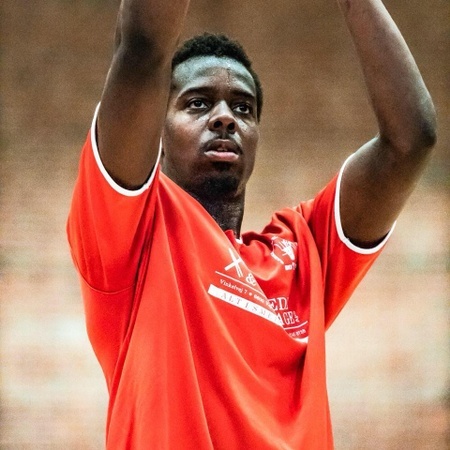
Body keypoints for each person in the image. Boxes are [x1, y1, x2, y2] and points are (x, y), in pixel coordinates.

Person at [67, 0, 436, 448]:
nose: (225, 118)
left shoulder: (303, 250)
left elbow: (410, 142)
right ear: (156, 131)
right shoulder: (132, 229)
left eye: (243, 109)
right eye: (198, 103)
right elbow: (143, 47)